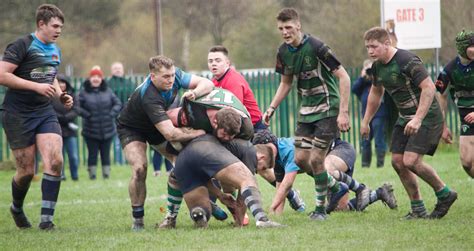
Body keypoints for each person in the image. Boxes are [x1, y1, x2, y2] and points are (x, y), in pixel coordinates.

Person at [262, 8, 351, 221]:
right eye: (281, 28)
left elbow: (344, 77)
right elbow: (286, 83)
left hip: (327, 109)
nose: (285, 32)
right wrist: (271, 108)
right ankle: (336, 187)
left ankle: (320, 210)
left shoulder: (317, 47)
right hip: (306, 112)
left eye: (289, 27)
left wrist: (343, 112)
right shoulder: (283, 52)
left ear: (298, 25)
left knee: (317, 159)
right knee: (301, 159)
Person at [361, 27, 457, 219]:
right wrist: (365, 121)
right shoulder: (377, 66)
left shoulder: (407, 60)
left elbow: (429, 88)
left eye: (374, 46)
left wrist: (418, 118)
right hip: (405, 117)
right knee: (397, 162)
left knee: (411, 160)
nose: (370, 51)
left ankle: (444, 193)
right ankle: (418, 208)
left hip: (427, 116)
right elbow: (375, 93)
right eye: (367, 47)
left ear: (387, 44)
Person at [116, 55, 213, 230]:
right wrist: (198, 133)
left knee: (185, 163)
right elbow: (171, 134)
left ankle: (184, 213)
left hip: (156, 125)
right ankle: (138, 221)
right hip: (132, 128)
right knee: (139, 168)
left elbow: (208, 84)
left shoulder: (176, 75)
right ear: (153, 77)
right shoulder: (149, 95)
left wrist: (194, 93)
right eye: (166, 77)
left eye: (172, 75)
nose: (171, 80)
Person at [0, 4, 72, 230]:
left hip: (44, 111)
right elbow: (2, 75)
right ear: (41, 24)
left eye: (61, 26)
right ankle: (17, 208)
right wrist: (35, 87)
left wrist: (60, 95)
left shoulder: (55, 49)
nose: (59, 30)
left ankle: (46, 221)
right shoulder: (22, 45)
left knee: (55, 160)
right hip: (17, 113)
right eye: (55, 26)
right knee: (26, 171)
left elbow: (50, 75)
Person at [208, 45, 305, 212]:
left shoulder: (233, 80)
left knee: (261, 168)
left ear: (227, 63)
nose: (213, 64)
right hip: (239, 129)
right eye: (210, 61)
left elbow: (233, 117)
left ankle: (288, 194)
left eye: (218, 60)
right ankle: (289, 195)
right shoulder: (214, 81)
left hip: (252, 129)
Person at [252, 130, 396, 215]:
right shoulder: (277, 159)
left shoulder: (289, 148)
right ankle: (380, 193)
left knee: (326, 167)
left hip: (340, 151)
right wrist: (275, 216)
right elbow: (280, 189)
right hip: (327, 165)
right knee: (341, 209)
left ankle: (360, 188)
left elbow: (287, 185)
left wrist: (269, 209)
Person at [436, 30, 474, 178]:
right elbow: (441, 96)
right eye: (472, 46)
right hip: (465, 116)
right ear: (462, 48)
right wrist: (443, 126)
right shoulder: (449, 69)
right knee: (466, 162)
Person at [78, 66, 122, 180]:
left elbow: (118, 103)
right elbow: (76, 107)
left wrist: (111, 114)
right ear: (90, 78)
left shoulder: (108, 91)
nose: (96, 79)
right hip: (90, 131)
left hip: (108, 130)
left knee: (105, 154)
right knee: (92, 154)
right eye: (93, 76)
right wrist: (87, 115)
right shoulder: (83, 93)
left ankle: (106, 175)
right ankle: (92, 175)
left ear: (101, 78)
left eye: (98, 76)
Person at [352, 59, 387, 168]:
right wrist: (362, 77)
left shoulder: (379, 81)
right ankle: (365, 165)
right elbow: (354, 89)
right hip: (366, 116)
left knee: (379, 140)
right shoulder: (363, 84)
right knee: (365, 141)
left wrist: (375, 77)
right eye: (368, 69)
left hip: (379, 115)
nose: (370, 72)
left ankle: (380, 165)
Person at [108, 61, 136, 165]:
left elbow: (134, 98)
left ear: (123, 70)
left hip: (128, 117)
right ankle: (118, 161)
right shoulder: (108, 84)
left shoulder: (129, 83)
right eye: (115, 68)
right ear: (111, 70)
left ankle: (128, 160)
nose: (118, 70)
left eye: (119, 68)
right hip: (114, 117)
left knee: (129, 140)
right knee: (116, 142)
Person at [53, 74, 80, 181]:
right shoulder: (51, 96)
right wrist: (61, 118)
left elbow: (76, 109)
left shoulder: (73, 95)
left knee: (73, 156)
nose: (61, 85)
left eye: (63, 82)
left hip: (70, 130)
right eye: (59, 82)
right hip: (56, 129)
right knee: (59, 156)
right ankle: (61, 175)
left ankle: (75, 175)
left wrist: (66, 118)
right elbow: (50, 110)